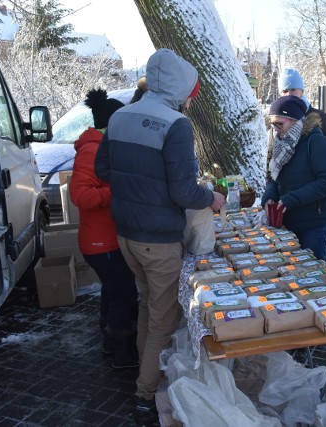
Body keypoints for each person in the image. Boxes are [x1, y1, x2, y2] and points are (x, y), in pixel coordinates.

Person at [95, 48, 226, 426]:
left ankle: (144, 378)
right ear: (183, 87)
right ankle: (146, 394)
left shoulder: (120, 117)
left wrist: (136, 182)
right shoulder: (175, 124)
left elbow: (103, 168)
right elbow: (185, 193)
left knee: (149, 307)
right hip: (159, 240)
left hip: (127, 236)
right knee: (162, 320)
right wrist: (212, 198)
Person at [69, 88, 139, 370]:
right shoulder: (93, 150)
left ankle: (110, 342)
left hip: (108, 238)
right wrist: (117, 191)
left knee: (113, 290)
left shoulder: (104, 146)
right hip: (101, 243)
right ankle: (122, 353)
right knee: (123, 293)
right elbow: (80, 195)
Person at [261, 95, 326, 261]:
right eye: (273, 124)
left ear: (295, 120)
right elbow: (273, 178)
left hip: (313, 226)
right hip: (286, 224)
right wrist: (269, 197)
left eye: (279, 124)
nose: (276, 129)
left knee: (313, 278)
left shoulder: (316, 142)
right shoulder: (279, 143)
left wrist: (291, 199)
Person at [278, 68, 326, 183]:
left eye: (293, 89)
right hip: (284, 189)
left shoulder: (320, 117)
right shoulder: (277, 119)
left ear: (301, 91)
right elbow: (272, 158)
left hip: (314, 187)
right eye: (285, 91)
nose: (289, 94)